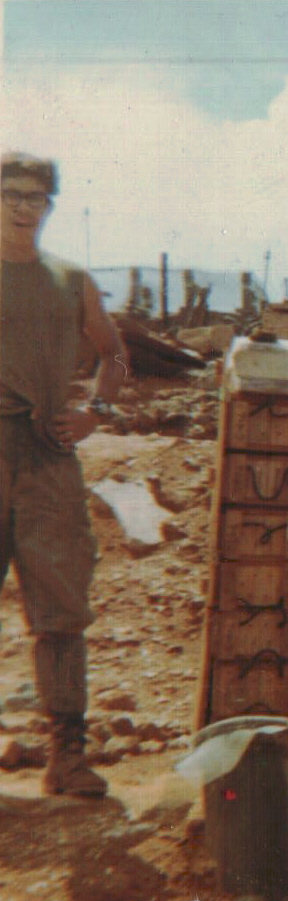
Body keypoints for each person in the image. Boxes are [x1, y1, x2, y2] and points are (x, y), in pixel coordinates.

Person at [1, 152, 128, 797]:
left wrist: (93, 413)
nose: (24, 207)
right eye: (11, 195)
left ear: (49, 205)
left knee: (61, 608)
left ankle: (67, 757)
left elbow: (114, 354)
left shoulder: (70, 279)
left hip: (48, 456)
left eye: (36, 197)